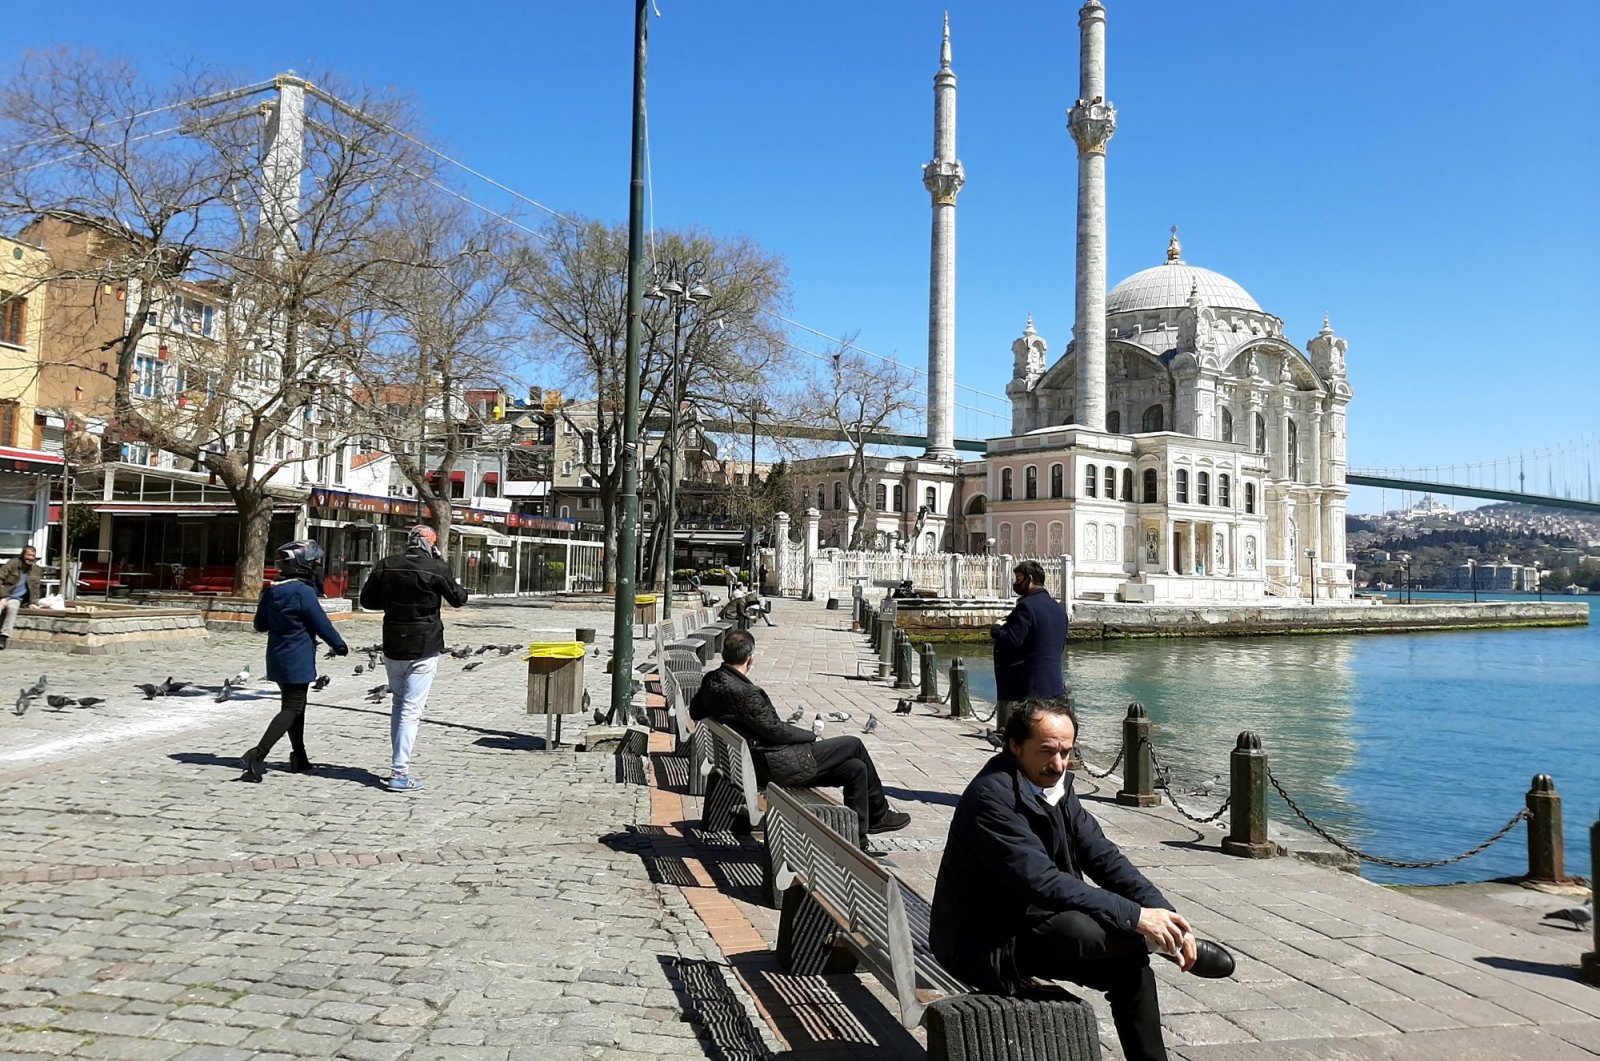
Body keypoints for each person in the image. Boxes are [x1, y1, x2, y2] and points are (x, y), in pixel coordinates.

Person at [930, 697, 1234, 1061]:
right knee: (1082, 930)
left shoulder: (1057, 790)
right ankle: (1157, 946)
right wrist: (1138, 920)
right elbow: (1042, 882)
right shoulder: (991, 799)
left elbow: (1105, 858)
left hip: (1031, 924)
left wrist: (1166, 917)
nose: (1058, 764)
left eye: (1066, 752)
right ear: (1014, 745)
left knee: (1129, 969)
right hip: (981, 943)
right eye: (1047, 751)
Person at [690, 629, 909, 848]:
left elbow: (695, 711)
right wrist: (810, 736)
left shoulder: (713, 681)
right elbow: (776, 731)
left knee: (855, 768)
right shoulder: (747, 693)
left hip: (753, 761)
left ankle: (858, 837)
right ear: (750, 659)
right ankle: (879, 814)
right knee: (853, 744)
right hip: (776, 765)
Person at [359, 525, 469, 792]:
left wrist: (394, 602)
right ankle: (399, 771)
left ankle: (399, 765)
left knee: (399, 704)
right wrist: (441, 563)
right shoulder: (435, 568)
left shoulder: (386, 565)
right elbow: (458, 599)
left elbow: (367, 600)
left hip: (394, 641)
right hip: (424, 644)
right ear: (431, 544)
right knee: (411, 710)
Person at [240, 541, 348, 781]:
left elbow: (260, 625)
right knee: (292, 708)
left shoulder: (271, 589)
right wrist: (338, 645)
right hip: (297, 656)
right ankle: (258, 753)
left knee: (296, 707)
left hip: (276, 655)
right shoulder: (302, 591)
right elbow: (321, 623)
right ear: (302, 565)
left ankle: (299, 756)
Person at [989, 559, 1068, 733]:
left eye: (1018, 578)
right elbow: (1060, 645)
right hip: (1053, 683)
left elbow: (1013, 641)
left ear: (1030, 579)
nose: (1016, 583)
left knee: (1028, 733)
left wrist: (996, 631)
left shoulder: (1026, 606)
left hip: (1028, 686)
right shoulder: (1058, 609)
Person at [0, 545, 39, 649]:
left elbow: (35, 588)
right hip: (4, 594)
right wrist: (2, 596)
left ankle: (3, 637)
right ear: (23, 555)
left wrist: (33, 602)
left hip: (17, 598)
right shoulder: (12, 564)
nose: (30, 558)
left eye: (33, 556)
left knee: (13, 608)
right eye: (28, 555)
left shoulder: (36, 569)